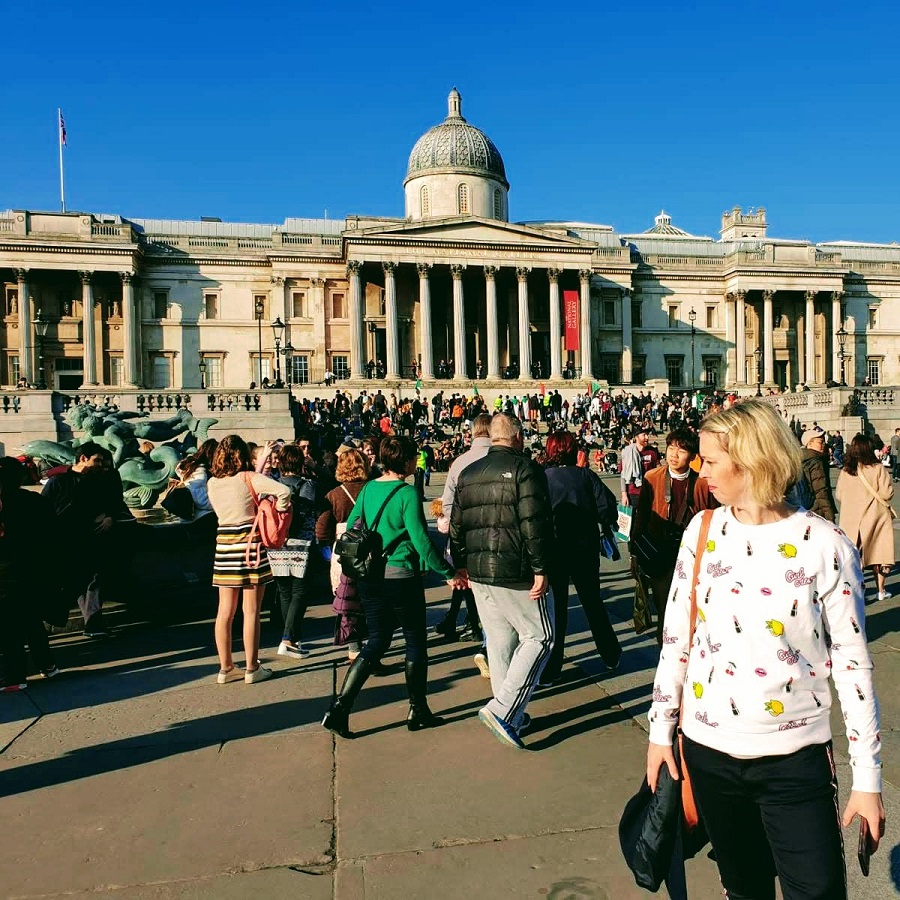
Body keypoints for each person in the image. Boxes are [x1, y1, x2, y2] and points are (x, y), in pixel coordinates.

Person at [647, 401, 884, 900]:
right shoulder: (702, 531)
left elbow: (852, 662)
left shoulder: (825, 544)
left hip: (794, 758)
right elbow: (677, 638)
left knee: (816, 891)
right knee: (744, 887)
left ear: (751, 459)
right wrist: (660, 732)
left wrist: (867, 776)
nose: (699, 469)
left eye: (711, 461)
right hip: (708, 751)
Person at [322, 436, 464, 738]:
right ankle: (417, 708)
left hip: (370, 577)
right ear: (410, 462)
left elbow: (353, 526)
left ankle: (340, 707)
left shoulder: (370, 487)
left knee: (377, 640)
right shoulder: (407, 493)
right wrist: (447, 572)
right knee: (415, 641)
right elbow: (421, 540)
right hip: (401, 575)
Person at [450, 414, 555, 750]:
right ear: (519, 437)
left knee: (499, 641)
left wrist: (461, 564)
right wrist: (541, 566)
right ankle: (503, 709)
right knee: (540, 636)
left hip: (479, 568)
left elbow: (456, 523)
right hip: (516, 567)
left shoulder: (468, 472)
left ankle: (511, 710)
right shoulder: (526, 469)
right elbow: (533, 522)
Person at [207, 434, 292, 685]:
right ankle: (252, 667)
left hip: (224, 547)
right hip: (250, 546)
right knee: (251, 610)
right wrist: (280, 510)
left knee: (225, 612)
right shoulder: (249, 477)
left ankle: (225, 667)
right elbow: (284, 491)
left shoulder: (213, 483)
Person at [541, 430, 622, 683]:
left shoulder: (541, 479)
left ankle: (553, 667)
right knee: (593, 603)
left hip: (554, 550)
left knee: (559, 610)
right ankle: (610, 653)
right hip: (584, 549)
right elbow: (607, 509)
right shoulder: (586, 476)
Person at [631, 428, 715, 646]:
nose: (674, 455)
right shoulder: (652, 478)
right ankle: (665, 651)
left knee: (692, 608)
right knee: (665, 608)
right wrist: (634, 552)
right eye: (671, 448)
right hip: (661, 555)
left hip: (693, 555)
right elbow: (640, 516)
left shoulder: (703, 483)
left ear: (693, 456)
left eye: (681, 450)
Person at [42, 441, 128, 638]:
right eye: (96, 461)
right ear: (83, 459)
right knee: (71, 583)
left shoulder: (97, 480)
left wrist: (109, 517)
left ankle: (94, 625)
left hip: (91, 539)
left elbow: (112, 502)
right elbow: (44, 510)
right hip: (65, 541)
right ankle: (50, 620)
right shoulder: (58, 481)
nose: (100, 465)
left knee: (93, 580)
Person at [0, 458, 59, 690]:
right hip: (33, 570)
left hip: (6, 574)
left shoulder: (4, 505)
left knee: (7, 627)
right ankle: (48, 666)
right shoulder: (35, 500)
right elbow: (52, 534)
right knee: (32, 621)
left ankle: (15, 677)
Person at [434, 414, 492, 648]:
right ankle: (483, 634)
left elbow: (447, 506)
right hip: (499, 536)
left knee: (466, 579)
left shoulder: (459, 462)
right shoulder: (506, 459)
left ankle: (474, 626)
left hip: (466, 535)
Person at [316, 449, 371, 661]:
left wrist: (328, 545)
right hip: (369, 545)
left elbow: (322, 529)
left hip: (343, 547)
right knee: (369, 596)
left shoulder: (334, 495)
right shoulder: (371, 489)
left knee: (347, 596)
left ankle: (354, 646)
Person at [266, 443, 320, 659]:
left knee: (285, 591)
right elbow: (310, 509)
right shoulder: (307, 485)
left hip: (277, 542)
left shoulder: (273, 485)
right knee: (300, 591)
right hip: (301, 542)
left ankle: (293, 638)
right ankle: (288, 638)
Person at [836, 433, 895, 602]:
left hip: (851, 517)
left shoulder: (846, 470)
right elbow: (887, 493)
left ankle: (856, 590)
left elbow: (839, 495)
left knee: (853, 556)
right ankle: (881, 590)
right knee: (880, 554)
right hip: (875, 516)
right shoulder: (877, 469)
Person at [799, 425, 837, 521]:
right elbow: (821, 491)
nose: (823, 444)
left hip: (804, 510)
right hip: (818, 511)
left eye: (824, 441)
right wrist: (829, 516)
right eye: (820, 442)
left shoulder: (800, 459)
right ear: (810, 444)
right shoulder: (816, 461)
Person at [620, 426, 660, 507]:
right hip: (633, 493)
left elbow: (658, 470)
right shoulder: (628, 452)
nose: (647, 437)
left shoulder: (653, 452)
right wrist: (624, 495)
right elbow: (623, 475)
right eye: (644, 435)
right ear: (636, 437)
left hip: (650, 491)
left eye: (647, 435)